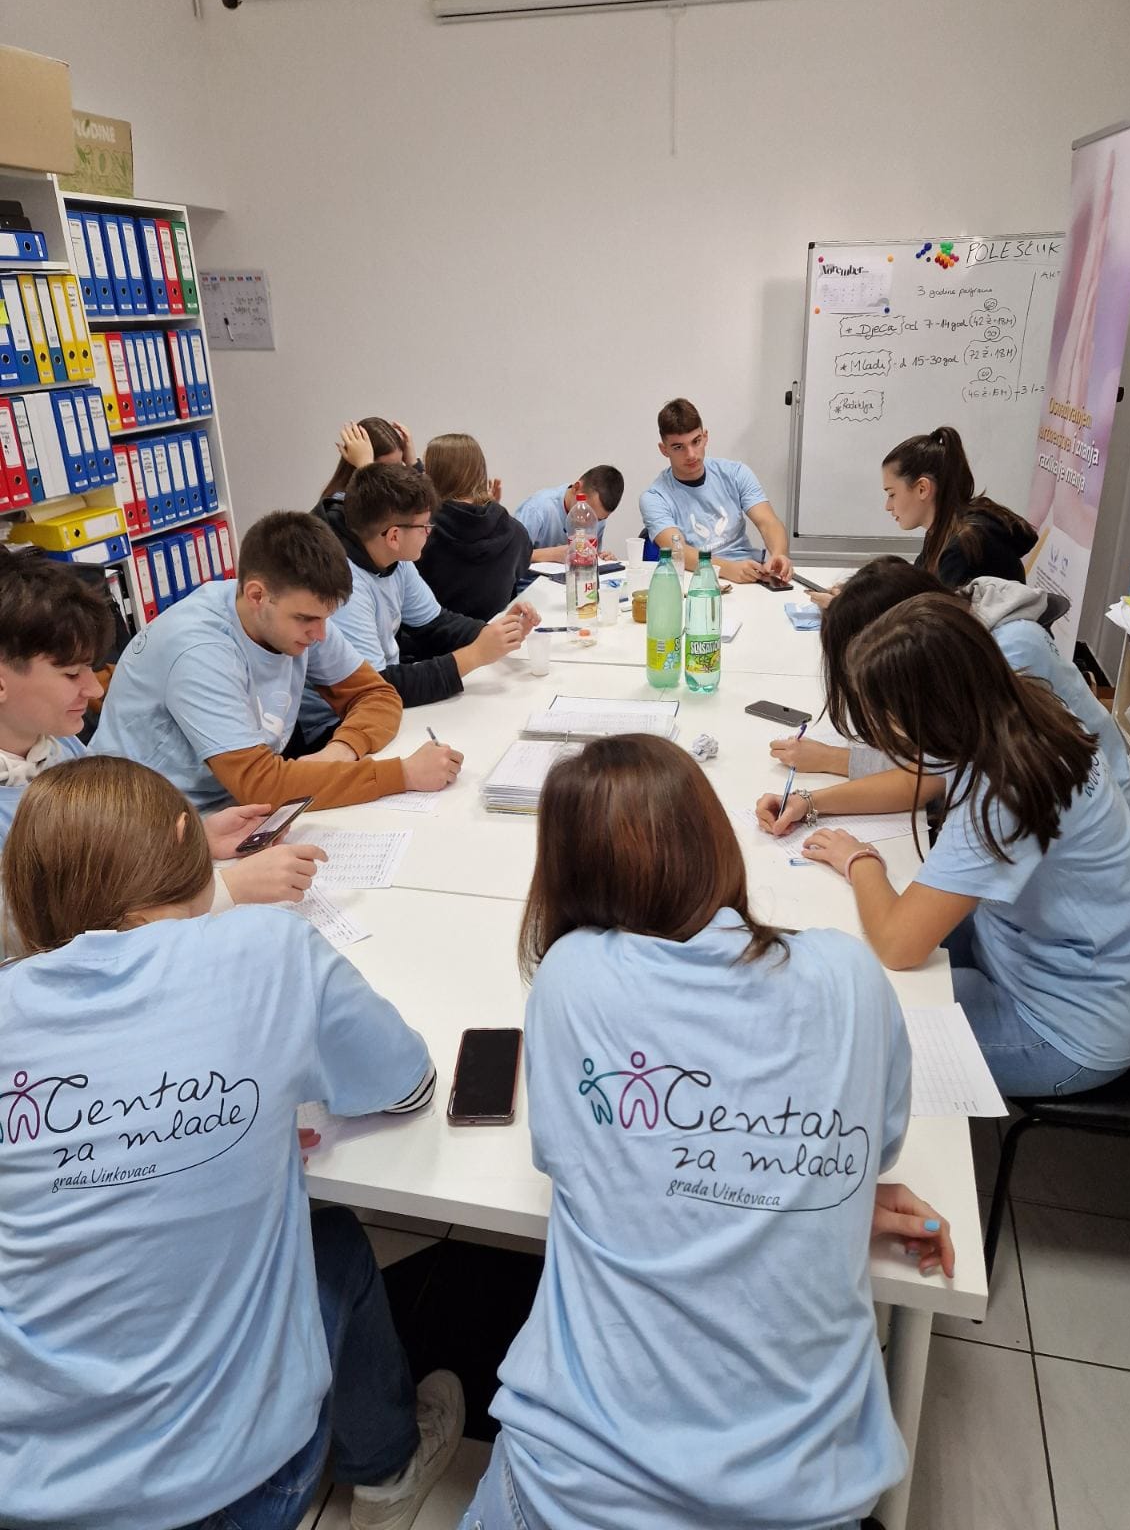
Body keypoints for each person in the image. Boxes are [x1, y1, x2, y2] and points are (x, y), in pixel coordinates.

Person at [462, 734, 953, 1530]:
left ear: (566, 876)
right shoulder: (850, 976)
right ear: (715, 839)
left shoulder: (572, 977)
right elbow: (880, 1142)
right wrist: (808, 1181)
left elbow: (565, 1157)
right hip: (801, 1504)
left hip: (571, 1492)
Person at [0, 755, 464, 1530]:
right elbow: (406, 1083)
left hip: (26, 1487)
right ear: (188, 840)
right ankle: (388, 1473)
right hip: (232, 1485)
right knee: (335, 1243)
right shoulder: (265, 949)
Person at [762, 596, 1130, 1097]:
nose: (883, 733)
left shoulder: (1006, 790)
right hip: (1039, 954)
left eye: (887, 718)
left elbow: (900, 945)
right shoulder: (1016, 708)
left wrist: (860, 861)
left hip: (1063, 1029)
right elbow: (923, 779)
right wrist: (812, 802)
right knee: (843, 964)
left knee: (837, 1035)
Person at [0, 555, 323, 906]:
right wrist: (221, 892)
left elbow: (102, 855)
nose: (93, 689)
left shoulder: (61, 745)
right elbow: (57, 927)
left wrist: (193, 841)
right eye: (71, 674)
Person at [91, 511, 462, 811]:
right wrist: (402, 775)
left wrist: (340, 750)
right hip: (151, 825)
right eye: (306, 619)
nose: (320, 635)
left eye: (325, 618)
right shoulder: (200, 649)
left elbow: (378, 695)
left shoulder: (297, 616)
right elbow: (262, 785)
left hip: (230, 807)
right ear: (257, 595)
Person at [764, 557, 1130, 823]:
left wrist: (831, 768)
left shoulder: (1007, 653)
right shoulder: (964, 629)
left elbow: (932, 772)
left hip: (1081, 825)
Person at [300, 463, 539, 742]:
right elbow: (377, 687)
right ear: (394, 536)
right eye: (424, 526)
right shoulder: (343, 584)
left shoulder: (392, 557)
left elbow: (435, 623)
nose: (429, 532)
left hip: (380, 705)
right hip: (337, 725)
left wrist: (494, 632)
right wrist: (475, 655)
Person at [640, 397, 793, 586]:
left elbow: (768, 522)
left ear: (705, 437)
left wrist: (779, 554)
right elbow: (677, 550)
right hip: (695, 580)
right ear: (664, 450)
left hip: (748, 574)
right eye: (678, 447)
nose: (691, 454)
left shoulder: (736, 473)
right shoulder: (654, 497)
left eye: (696, 441)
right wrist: (727, 569)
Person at [881, 426, 1035, 585]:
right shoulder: (940, 532)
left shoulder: (961, 547)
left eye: (892, 494)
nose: (888, 506)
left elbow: (936, 599)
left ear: (922, 488)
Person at [418, 434, 534, 622]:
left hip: (435, 637)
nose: (422, 476)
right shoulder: (514, 531)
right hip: (496, 633)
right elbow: (518, 569)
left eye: (425, 469)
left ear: (435, 474)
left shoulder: (420, 532)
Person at [513, 466, 624, 564]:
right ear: (576, 488)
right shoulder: (537, 509)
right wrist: (553, 554)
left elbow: (587, 558)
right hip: (531, 580)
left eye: (597, 519)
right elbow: (511, 555)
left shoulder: (597, 519)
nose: (587, 521)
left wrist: (602, 558)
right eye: (585, 511)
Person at [321, 415, 418, 499]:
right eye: (386, 470)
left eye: (399, 467)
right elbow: (382, 510)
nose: (395, 477)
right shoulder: (337, 506)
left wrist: (413, 465)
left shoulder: (396, 495)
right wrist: (366, 469)